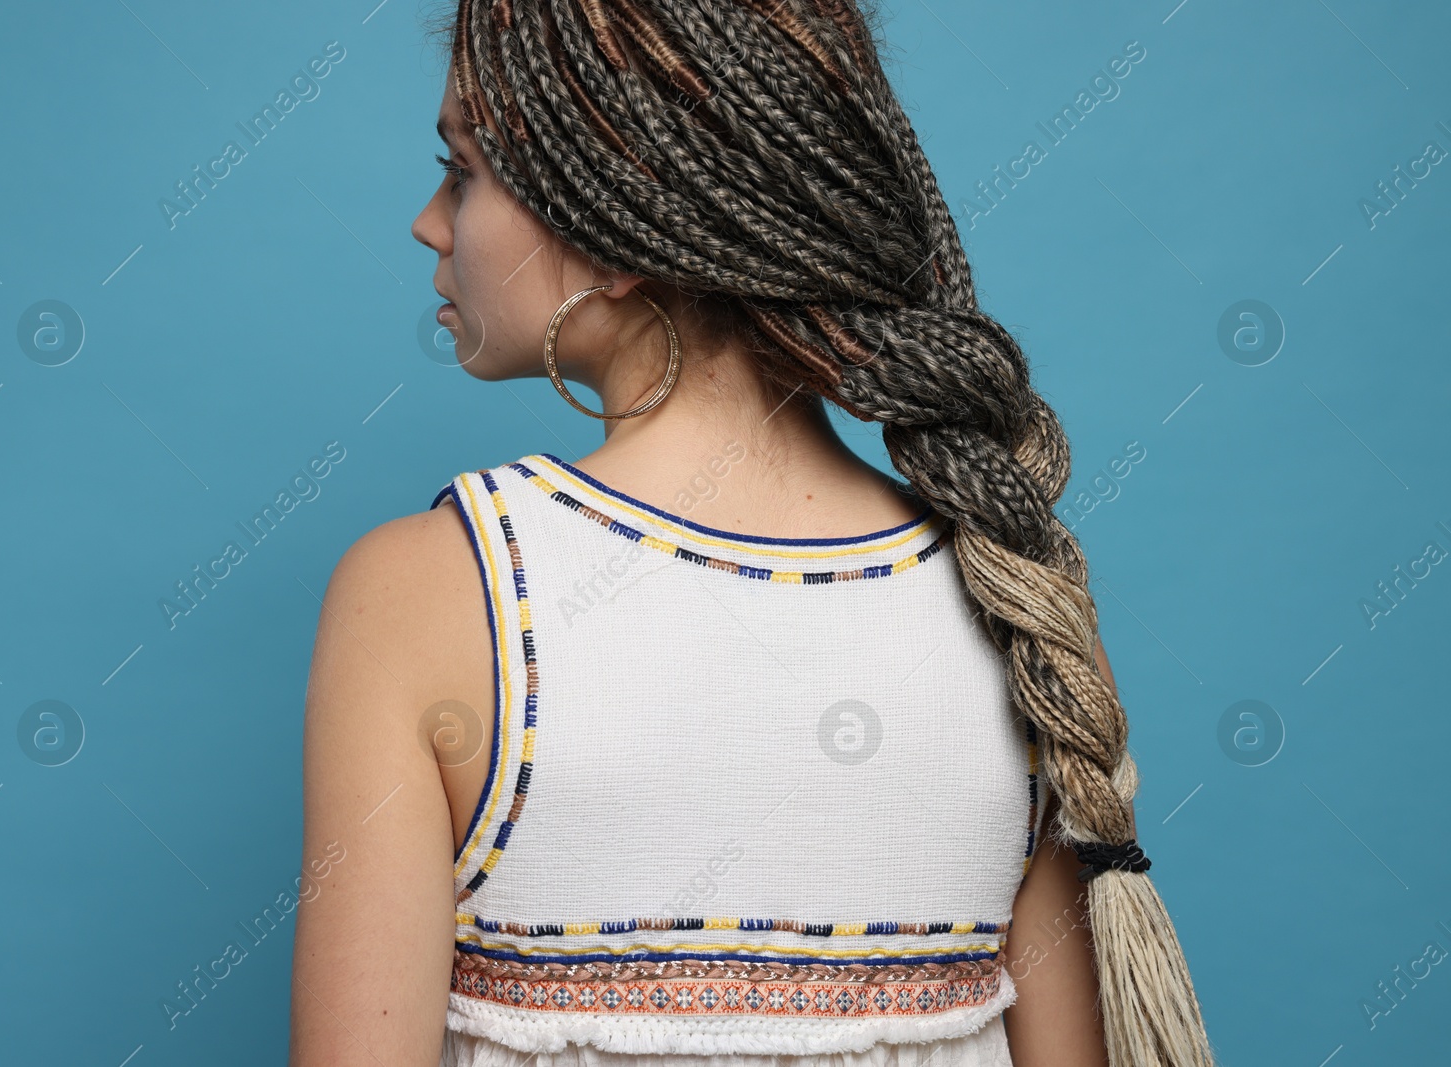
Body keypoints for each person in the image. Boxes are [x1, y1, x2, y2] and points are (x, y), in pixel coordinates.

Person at [289, 2, 1215, 1065]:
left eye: (461, 171)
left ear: (616, 223)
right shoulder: (1011, 588)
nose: (428, 221)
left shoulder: (423, 593)